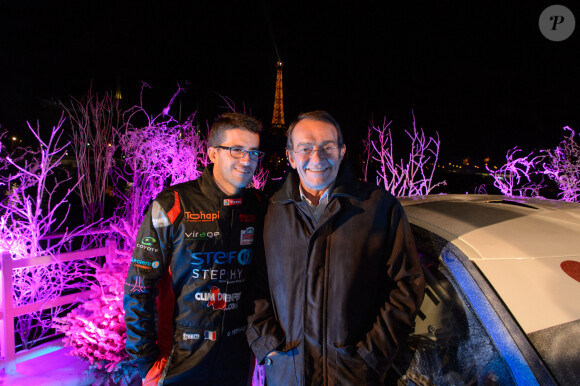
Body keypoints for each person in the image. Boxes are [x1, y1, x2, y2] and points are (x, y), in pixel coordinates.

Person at [246, 110, 425, 385]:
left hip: (353, 376)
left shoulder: (379, 207)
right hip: (286, 373)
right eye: (305, 148)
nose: (316, 158)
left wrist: (372, 355)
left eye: (327, 147)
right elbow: (253, 286)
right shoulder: (270, 213)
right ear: (291, 156)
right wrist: (268, 346)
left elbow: (407, 285)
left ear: (342, 152)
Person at [124, 112, 265, 385]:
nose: (247, 161)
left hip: (236, 359)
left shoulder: (260, 205)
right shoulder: (174, 203)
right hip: (178, 359)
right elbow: (138, 285)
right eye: (236, 150)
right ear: (213, 153)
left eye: (253, 152)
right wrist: (145, 361)